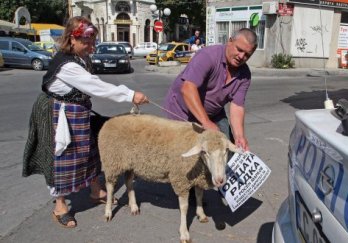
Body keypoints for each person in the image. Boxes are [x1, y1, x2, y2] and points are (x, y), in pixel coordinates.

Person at [22, 16, 149, 229]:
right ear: (72, 39)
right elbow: (95, 86)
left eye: (92, 41)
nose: (91, 46)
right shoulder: (66, 65)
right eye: (86, 41)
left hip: (77, 111)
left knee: (89, 151)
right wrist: (130, 95)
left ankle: (95, 190)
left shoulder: (81, 58)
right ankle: (60, 206)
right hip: (58, 114)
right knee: (62, 158)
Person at [164, 28, 257, 151]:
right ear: (230, 41)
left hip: (214, 114)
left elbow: (237, 106)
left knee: (227, 148)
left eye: (247, 55)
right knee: (185, 155)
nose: (241, 56)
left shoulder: (245, 74)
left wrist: (240, 136)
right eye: (239, 50)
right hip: (181, 112)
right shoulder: (208, 56)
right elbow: (187, 88)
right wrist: (206, 122)